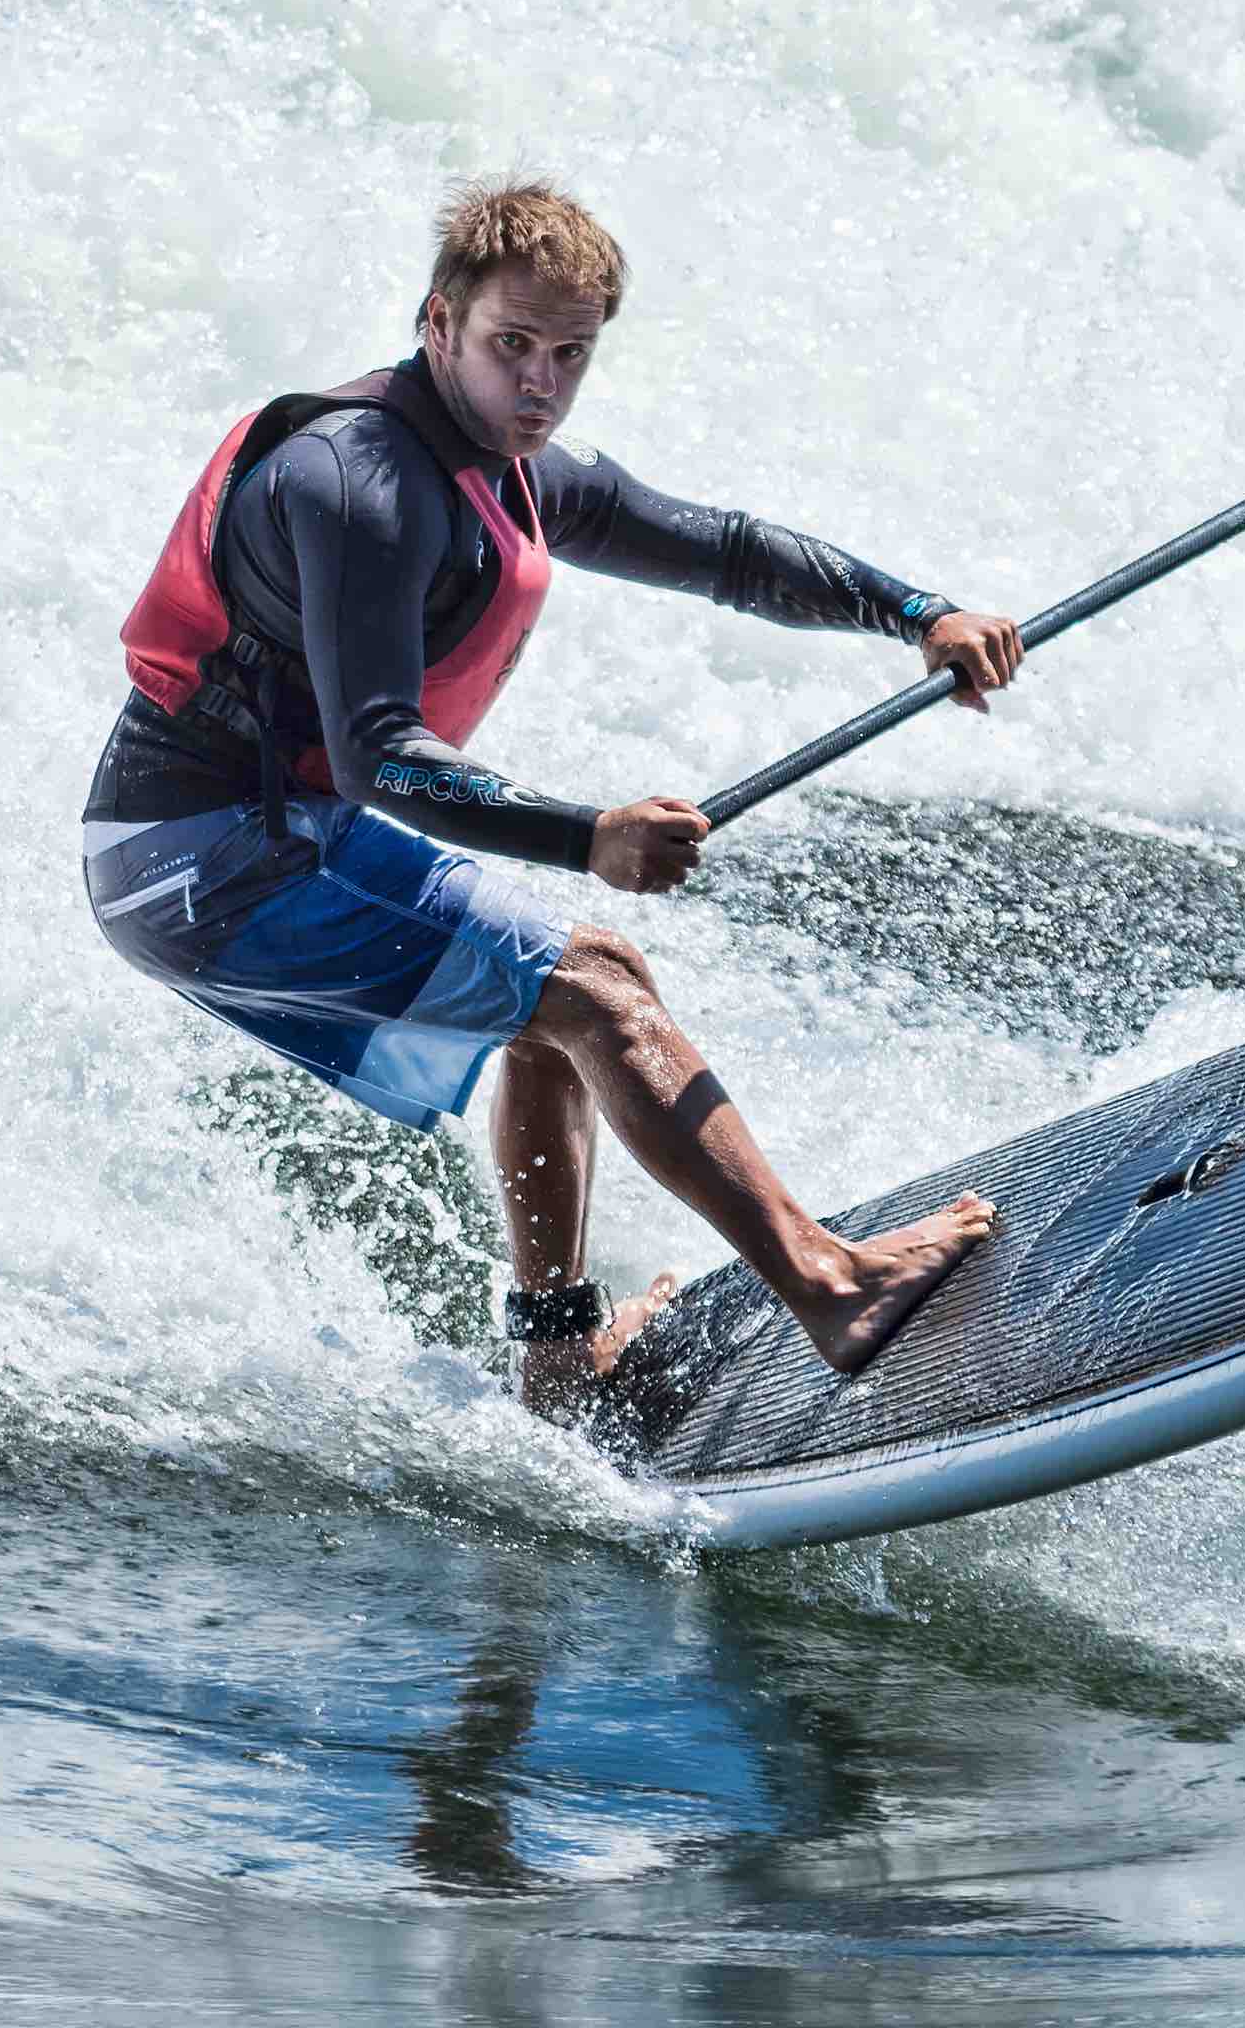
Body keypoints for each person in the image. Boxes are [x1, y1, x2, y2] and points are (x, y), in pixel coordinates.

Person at [84, 178, 1026, 1414]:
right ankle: (827, 1283)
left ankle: (558, 1355)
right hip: (198, 859)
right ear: (439, 324)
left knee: (581, 985)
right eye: (509, 347)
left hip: (259, 840)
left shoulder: (513, 465)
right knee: (590, 995)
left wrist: (918, 612)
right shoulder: (360, 482)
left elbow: (722, 549)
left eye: (567, 356)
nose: (538, 383)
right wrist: (587, 833)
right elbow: (379, 752)